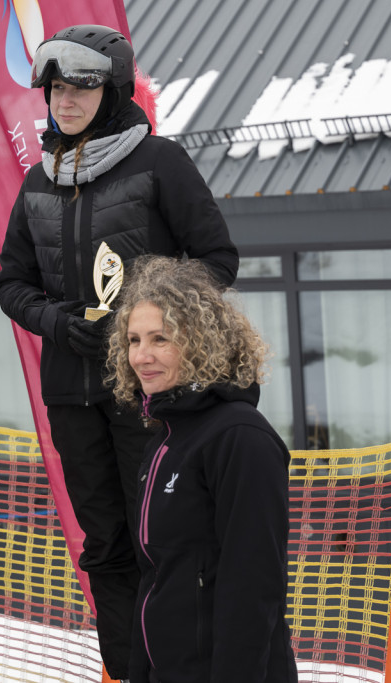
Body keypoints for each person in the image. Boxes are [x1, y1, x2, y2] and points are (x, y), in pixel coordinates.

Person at [0, 23, 239, 681]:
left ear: (114, 88)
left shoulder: (159, 162)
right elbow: (9, 283)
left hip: (150, 394)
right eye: (54, 88)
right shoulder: (37, 182)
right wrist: (54, 318)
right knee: (103, 547)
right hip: (72, 395)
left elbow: (217, 261)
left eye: (80, 85)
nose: (64, 100)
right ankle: (128, 672)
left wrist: (144, 320)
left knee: (162, 538)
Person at [105, 256, 296, 682]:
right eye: (134, 340)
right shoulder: (165, 439)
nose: (142, 356)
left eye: (161, 339)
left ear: (200, 342)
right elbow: (156, 579)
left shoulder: (240, 437)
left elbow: (253, 585)